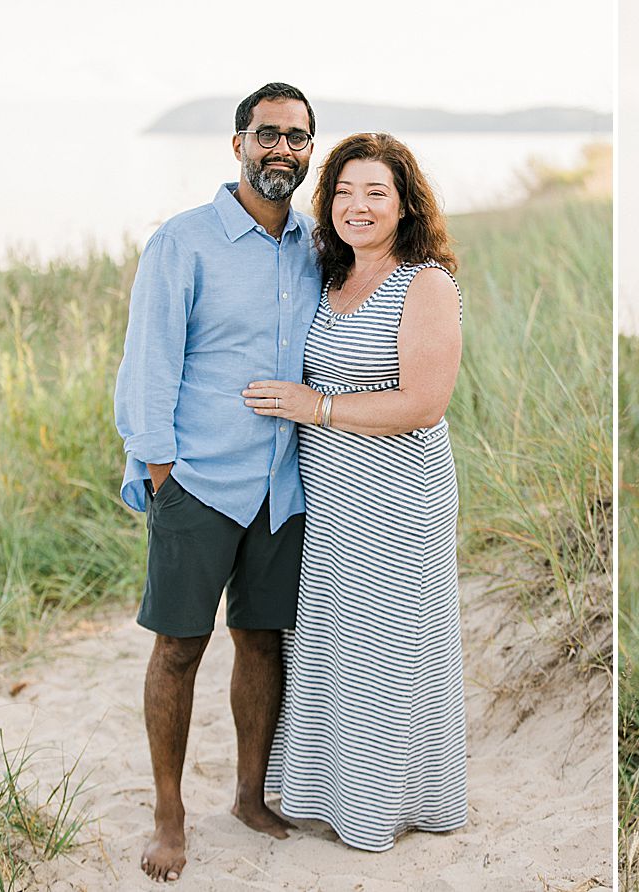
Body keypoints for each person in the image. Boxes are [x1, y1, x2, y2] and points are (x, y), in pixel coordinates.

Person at [113, 82, 321, 882]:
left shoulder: (313, 243)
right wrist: (160, 467)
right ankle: (168, 816)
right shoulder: (183, 242)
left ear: (309, 151)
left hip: (283, 484)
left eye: (296, 138)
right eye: (266, 134)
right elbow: (148, 361)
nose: (280, 149)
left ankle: (249, 795)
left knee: (262, 642)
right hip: (198, 479)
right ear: (237, 143)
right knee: (178, 648)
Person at [241, 132, 466, 851]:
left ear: (405, 203)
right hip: (332, 499)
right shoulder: (328, 276)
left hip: (400, 497)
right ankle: (330, 793)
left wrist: (318, 408)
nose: (357, 206)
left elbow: (425, 403)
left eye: (375, 192)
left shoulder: (423, 282)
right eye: (342, 191)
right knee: (334, 644)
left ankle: (384, 808)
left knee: (388, 648)